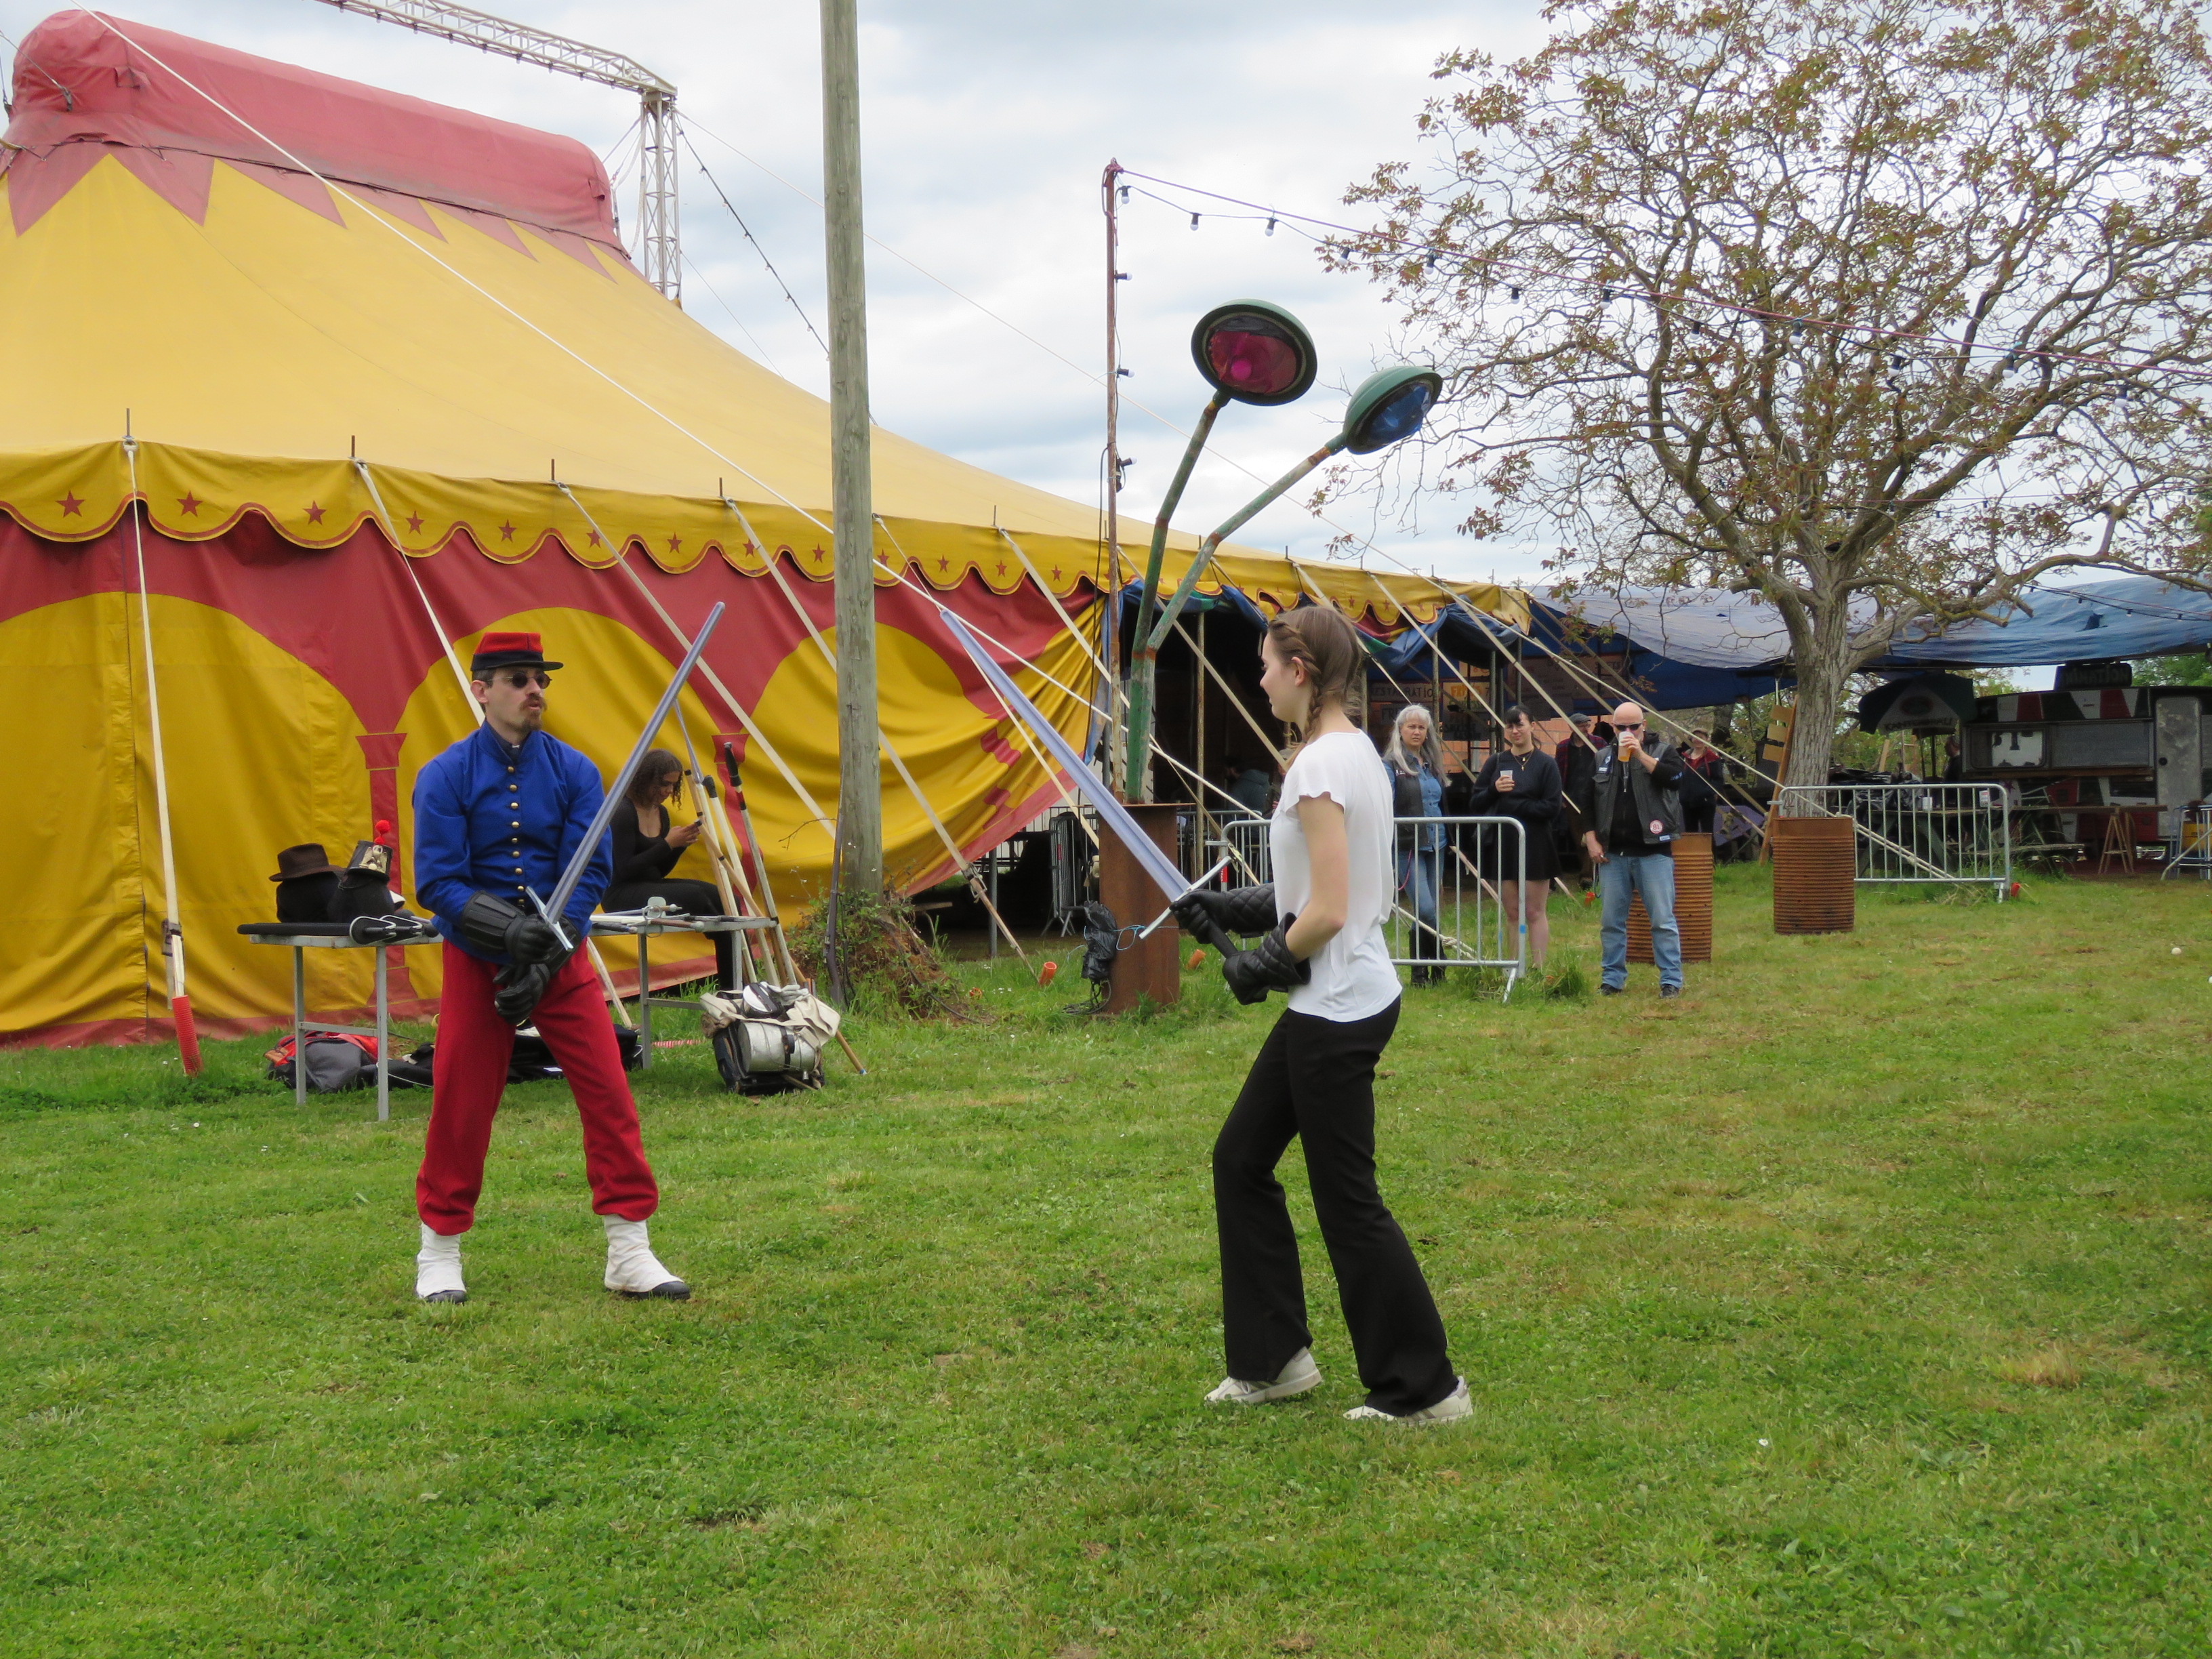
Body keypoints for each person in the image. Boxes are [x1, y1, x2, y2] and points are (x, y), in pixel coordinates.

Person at [1173, 605, 1468, 1426]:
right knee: (1240, 1159)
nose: (1259, 679)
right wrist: (1228, 911)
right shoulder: (1351, 756)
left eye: (1267, 665)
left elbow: (1330, 910)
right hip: (1337, 997)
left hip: (1336, 1006)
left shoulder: (1317, 768)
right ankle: (1275, 1362)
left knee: (1347, 1201)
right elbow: (1312, 893)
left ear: (1299, 670)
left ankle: (1426, 1388)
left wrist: (1256, 967)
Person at [409, 631, 687, 1305]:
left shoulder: (575, 771)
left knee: (609, 1094)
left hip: (562, 956)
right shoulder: (444, 775)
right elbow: (437, 882)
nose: (535, 689)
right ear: (482, 690)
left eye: (540, 677)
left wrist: (551, 944)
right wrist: (510, 938)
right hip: (476, 959)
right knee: (460, 1102)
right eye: (517, 678)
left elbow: (588, 869)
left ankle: (630, 1250)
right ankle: (438, 1251)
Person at [1576, 699, 1687, 998]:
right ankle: (1612, 980)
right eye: (1621, 727)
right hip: (1614, 854)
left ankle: (1671, 981)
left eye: (1633, 726)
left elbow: (1675, 780)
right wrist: (1592, 838)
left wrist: (1639, 754)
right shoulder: (1601, 756)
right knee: (1612, 922)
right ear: (1612, 727)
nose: (1627, 732)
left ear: (1644, 726)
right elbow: (1586, 801)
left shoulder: (1663, 752)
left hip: (1654, 851)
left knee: (1662, 920)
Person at [605, 748, 736, 991]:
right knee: (697, 897)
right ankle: (731, 983)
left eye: (673, 786)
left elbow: (658, 872)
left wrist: (678, 847)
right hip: (620, 895)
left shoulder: (661, 813)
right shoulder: (622, 811)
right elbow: (621, 871)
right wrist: (668, 844)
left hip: (647, 886)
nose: (667, 791)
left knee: (726, 897)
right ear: (644, 779)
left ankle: (734, 985)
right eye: (663, 784)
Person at [1466, 703, 1562, 970]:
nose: (1515, 730)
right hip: (1504, 843)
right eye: (1510, 726)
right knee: (1512, 912)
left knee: (1534, 911)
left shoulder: (1546, 764)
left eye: (1520, 724)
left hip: (1536, 843)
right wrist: (1495, 791)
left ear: (1532, 726)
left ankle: (1539, 970)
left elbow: (1552, 807)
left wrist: (1515, 805)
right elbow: (1476, 802)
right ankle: (1512, 969)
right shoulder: (1496, 762)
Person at [1382, 705, 1449, 985]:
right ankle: (1440, 962)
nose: (1417, 732)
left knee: (1431, 907)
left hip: (1438, 842)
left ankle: (1421, 973)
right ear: (1400, 730)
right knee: (1425, 910)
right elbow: (1385, 804)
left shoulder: (1431, 763)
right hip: (1407, 844)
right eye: (1411, 726)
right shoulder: (1390, 765)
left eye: (1422, 727)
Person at [1679, 727, 1723, 836]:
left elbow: (1718, 780)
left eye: (1701, 738)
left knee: (1707, 833)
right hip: (1688, 801)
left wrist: (1707, 792)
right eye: (1695, 738)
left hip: (1706, 802)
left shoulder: (1712, 759)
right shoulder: (1685, 757)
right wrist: (1682, 793)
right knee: (1690, 832)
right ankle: (1693, 853)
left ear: (1706, 739)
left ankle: (1711, 853)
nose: (1698, 740)